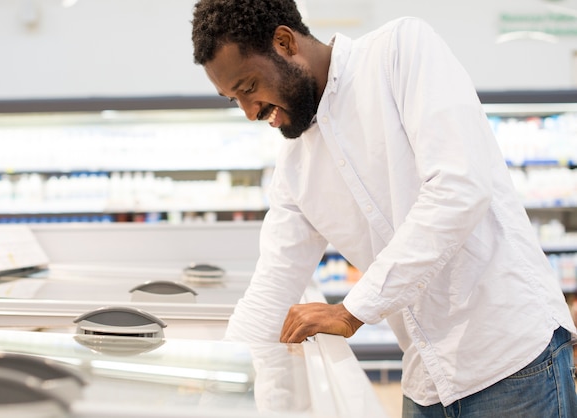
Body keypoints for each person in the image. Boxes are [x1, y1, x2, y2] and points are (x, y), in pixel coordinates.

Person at [191, 1, 577, 416]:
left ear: (284, 43)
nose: (250, 112)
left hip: (512, 363)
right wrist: (214, 391)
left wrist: (353, 310)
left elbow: (459, 188)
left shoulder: (399, 51)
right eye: (234, 100)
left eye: (249, 87)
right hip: (427, 379)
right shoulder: (295, 166)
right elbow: (272, 285)